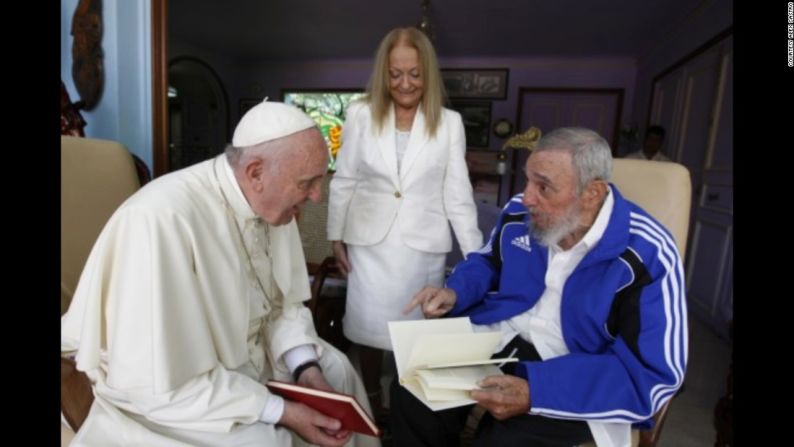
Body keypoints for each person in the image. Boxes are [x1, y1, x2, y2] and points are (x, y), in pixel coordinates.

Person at [61, 100, 380, 447]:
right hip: (172, 389)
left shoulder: (275, 203)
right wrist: (283, 411)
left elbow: (283, 305)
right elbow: (165, 381)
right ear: (256, 172)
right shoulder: (160, 220)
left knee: (337, 372)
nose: (317, 197)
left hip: (250, 359)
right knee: (266, 440)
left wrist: (307, 371)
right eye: (308, 183)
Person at [396, 127, 687, 447]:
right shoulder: (520, 211)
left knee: (503, 441)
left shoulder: (648, 252)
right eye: (528, 179)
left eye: (544, 186)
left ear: (592, 193)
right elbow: (489, 260)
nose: (527, 197)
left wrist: (537, 391)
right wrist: (457, 291)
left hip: (574, 368)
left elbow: (655, 374)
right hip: (499, 340)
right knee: (412, 394)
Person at [327, 27, 483, 416]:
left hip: (421, 248)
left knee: (413, 333)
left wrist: (477, 256)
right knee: (365, 328)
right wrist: (335, 236)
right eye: (395, 74)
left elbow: (458, 196)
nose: (405, 83)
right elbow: (345, 178)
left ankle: (405, 406)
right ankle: (371, 399)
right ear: (384, 74)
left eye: (414, 73)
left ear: (427, 73)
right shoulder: (361, 113)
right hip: (369, 241)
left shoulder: (449, 123)